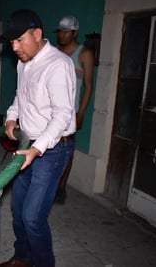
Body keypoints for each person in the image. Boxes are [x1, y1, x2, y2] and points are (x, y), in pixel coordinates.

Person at [0, 9, 76, 267]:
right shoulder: (23, 62)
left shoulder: (57, 65)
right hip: (26, 146)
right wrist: (12, 117)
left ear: (38, 34)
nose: (15, 47)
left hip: (52, 151)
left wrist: (37, 149)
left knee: (33, 218)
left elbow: (63, 115)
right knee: (18, 211)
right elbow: (21, 97)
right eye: (11, 42)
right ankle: (22, 258)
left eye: (19, 40)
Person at [54, 15, 95, 204]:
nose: (61, 35)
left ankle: (61, 187)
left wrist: (81, 113)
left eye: (65, 31)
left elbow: (88, 86)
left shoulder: (84, 54)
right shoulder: (54, 53)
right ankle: (49, 184)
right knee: (47, 148)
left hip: (71, 112)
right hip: (52, 111)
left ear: (75, 32)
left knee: (67, 150)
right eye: (60, 31)